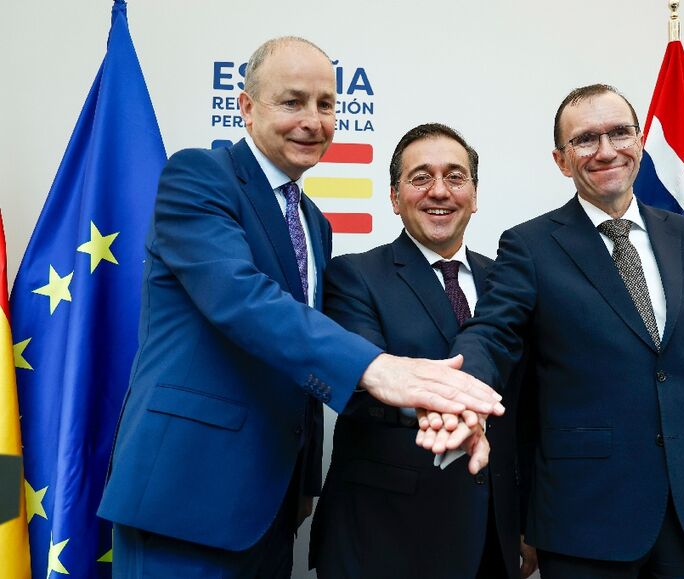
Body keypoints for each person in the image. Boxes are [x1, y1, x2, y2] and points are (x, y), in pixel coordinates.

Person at [96, 37, 502, 577]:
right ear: (245, 106)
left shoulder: (314, 223)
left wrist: (306, 478)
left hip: (272, 505)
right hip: (186, 494)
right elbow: (241, 299)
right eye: (292, 102)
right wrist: (377, 368)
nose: (313, 120)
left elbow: (298, 359)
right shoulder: (198, 177)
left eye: (326, 104)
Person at [443, 84, 684, 579]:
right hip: (585, 524)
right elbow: (492, 333)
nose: (606, 150)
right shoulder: (530, 246)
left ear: (640, 141)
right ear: (560, 160)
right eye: (585, 140)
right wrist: (456, 384)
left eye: (619, 132)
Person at [309, 123, 538, 579]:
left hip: (495, 537)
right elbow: (363, 388)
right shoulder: (354, 276)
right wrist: (453, 410)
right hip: (385, 537)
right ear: (394, 198)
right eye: (420, 177)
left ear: (474, 195)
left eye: (456, 177)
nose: (440, 191)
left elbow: (530, 406)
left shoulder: (509, 281)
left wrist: (528, 520)